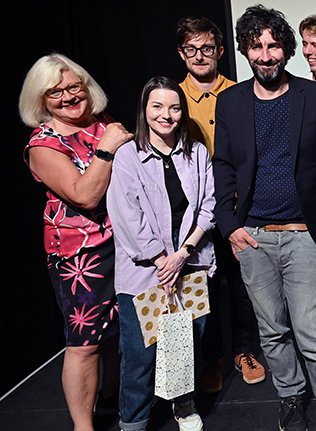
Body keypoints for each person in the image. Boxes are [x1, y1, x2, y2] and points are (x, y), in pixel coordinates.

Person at [211, 5, 316, 431]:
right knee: (271, 329)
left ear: (286, 50)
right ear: (245, 51)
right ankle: (291, 397)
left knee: (310, 327)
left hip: (303, 235)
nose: (266, 54)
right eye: (257, 46)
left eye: (274, 45)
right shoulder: (231, 101)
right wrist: (229, 226)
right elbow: (222, 166)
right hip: (252, 235)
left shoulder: (314, 96)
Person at [20, 53, 132, 431]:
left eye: (74, 86)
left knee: (120, 330)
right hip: (79, 256)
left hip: (125, 243)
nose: (68, 96)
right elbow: (85, 196)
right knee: (86, 344)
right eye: (55, 92)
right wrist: (108, 148)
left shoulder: (103, 123)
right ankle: (83, 427)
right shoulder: (43, 144)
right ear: (40, 100)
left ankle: (113, 397)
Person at [107, 77, 215, 431]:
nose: (166, 115)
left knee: (185, 345)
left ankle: (184, 407)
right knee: (140, 355)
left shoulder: (196, 152)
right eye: (157, 106)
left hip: (190, 265)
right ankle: (133, 421)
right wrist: (159, 260)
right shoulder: (127, 156)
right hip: (144, 272)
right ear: (144, 110)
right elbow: (126, 216)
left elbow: (209, 207)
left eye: (174, 107)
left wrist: (183, 253)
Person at [175, 16, 266, 394]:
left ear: (220, 52)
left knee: (244, 285)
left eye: (207, 49)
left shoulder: (244, 92)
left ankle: (244, 350)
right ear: (181, 53)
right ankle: (210, 358)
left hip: (237, 206)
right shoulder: (172, 98)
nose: (200, 56)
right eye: (192, 50)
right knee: (203, 287)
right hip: (192, 214)